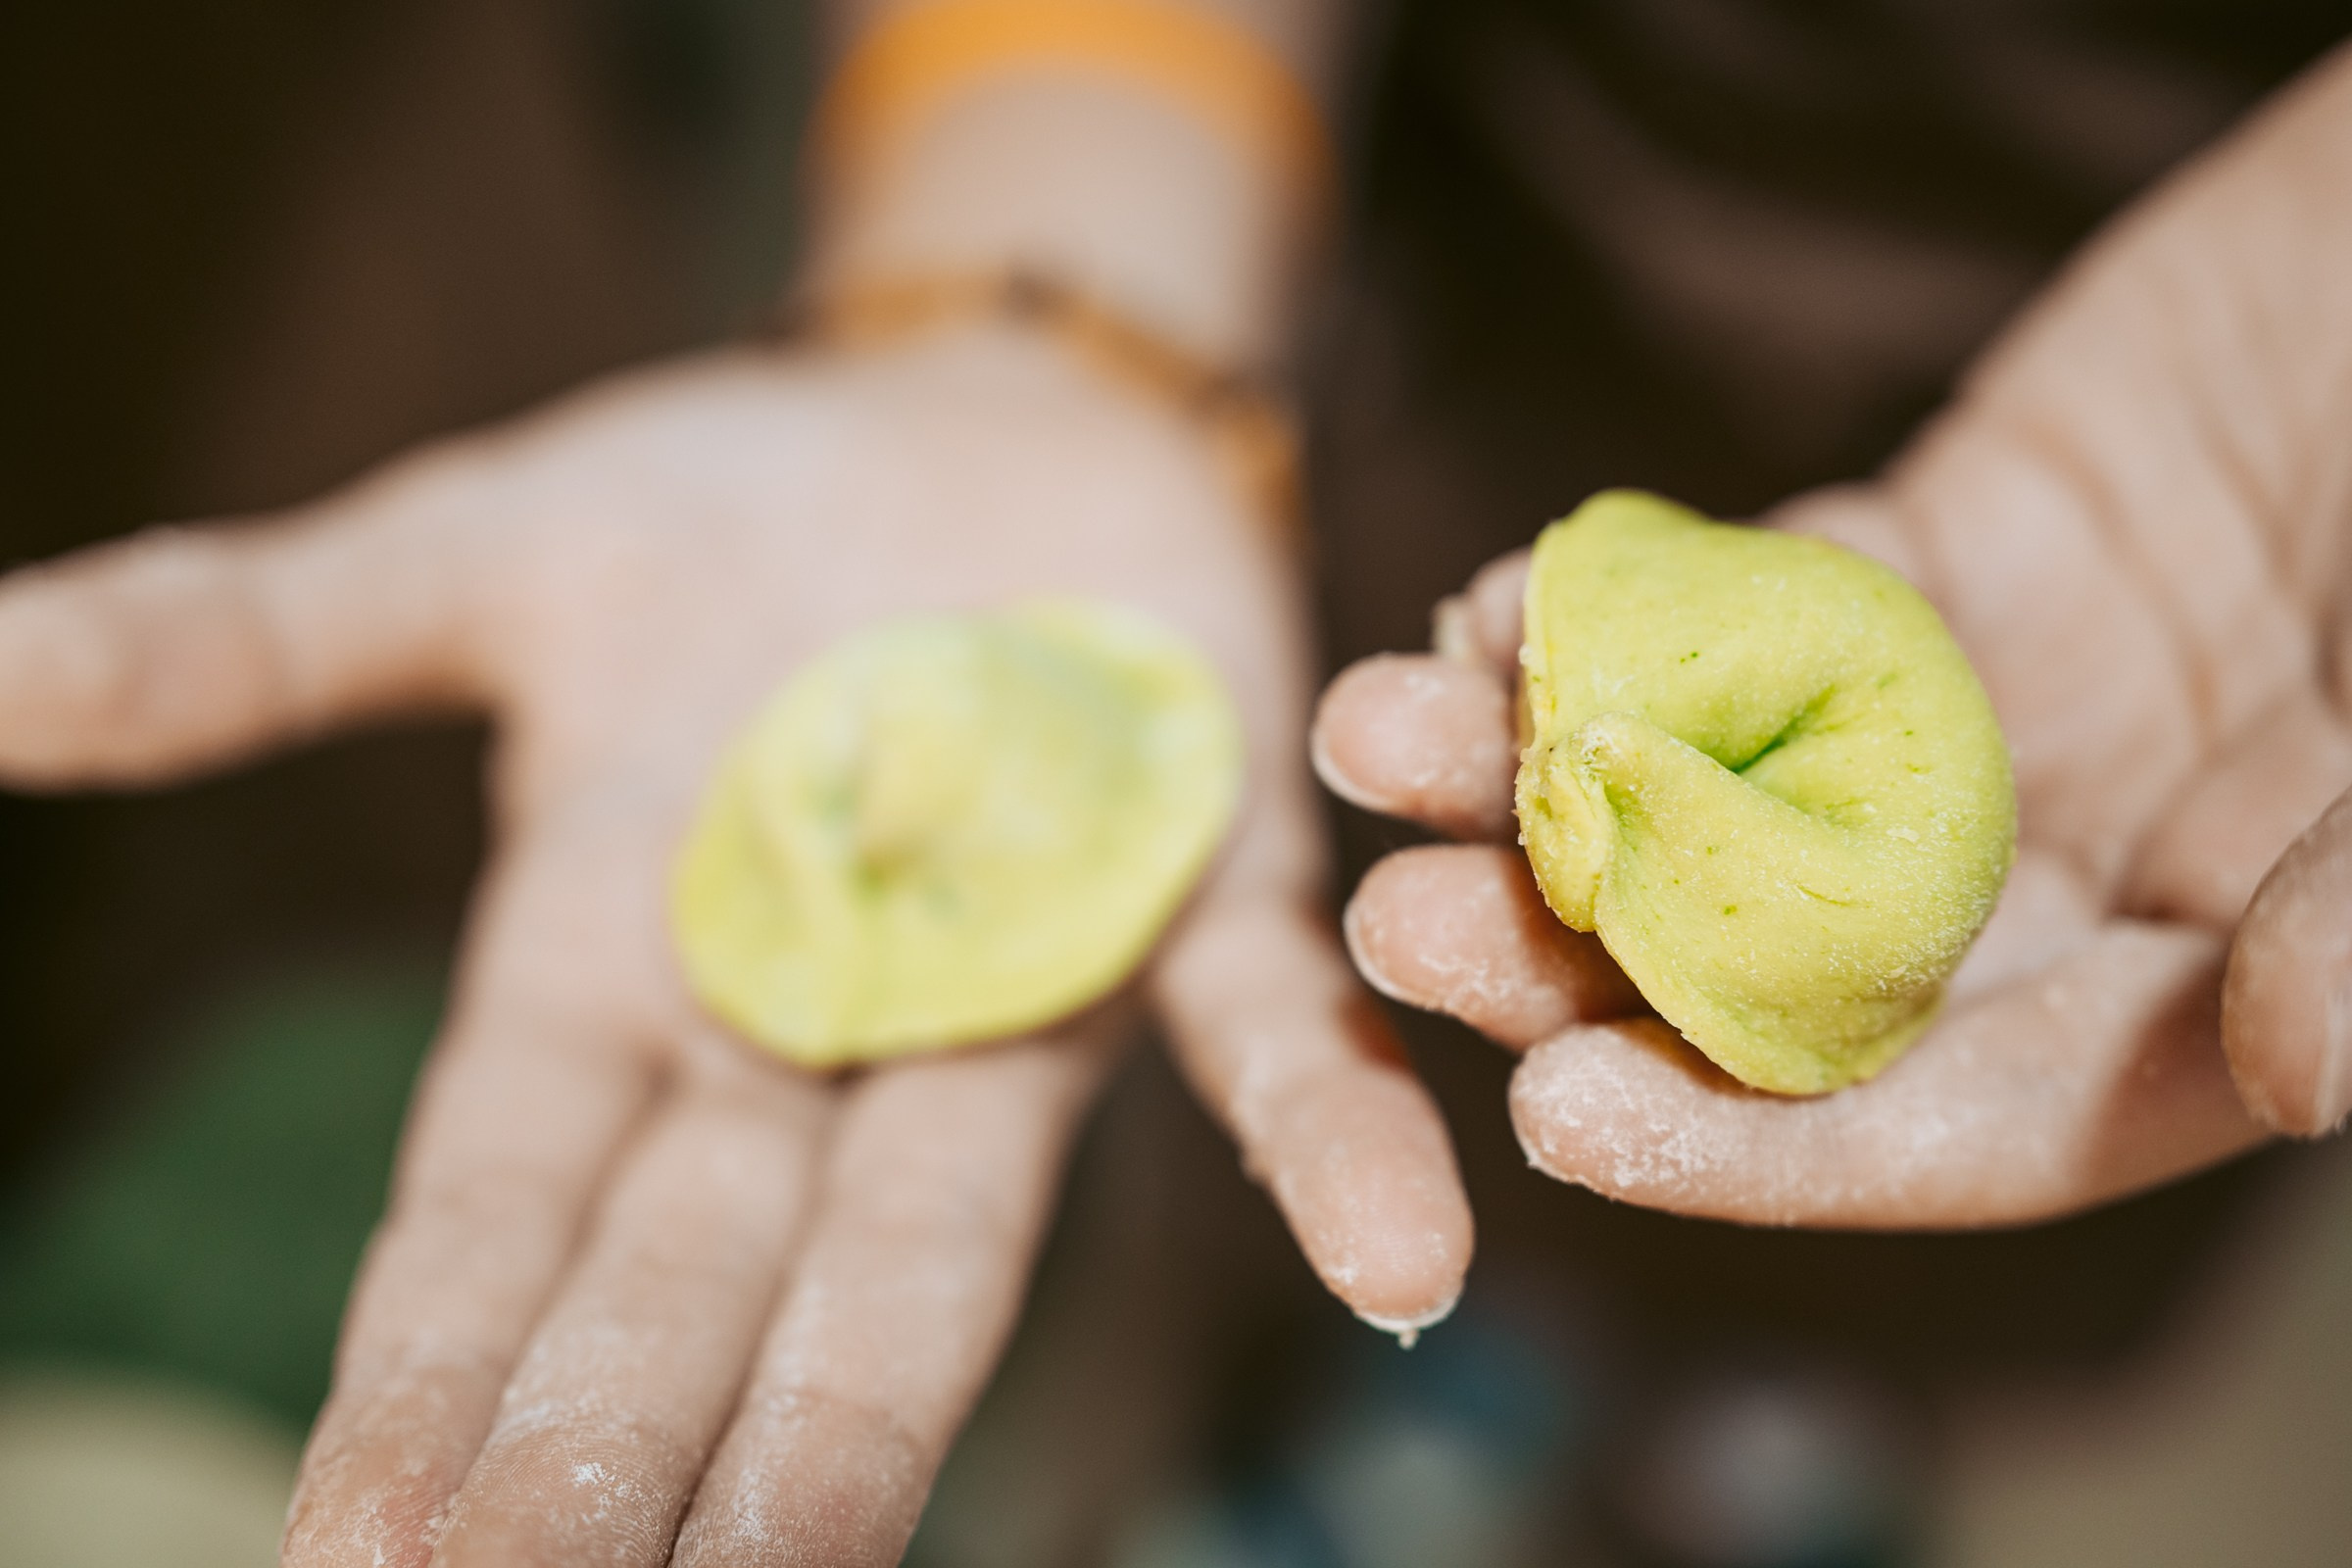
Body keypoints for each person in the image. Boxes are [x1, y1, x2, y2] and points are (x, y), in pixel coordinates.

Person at [0, 3, 2341, 1566]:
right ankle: (1456, 1369)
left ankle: (1777, 1410)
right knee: (1426, 956)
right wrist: (1061, 223)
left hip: (2243, 561)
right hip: (1519, 207)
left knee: (2113, 1015)